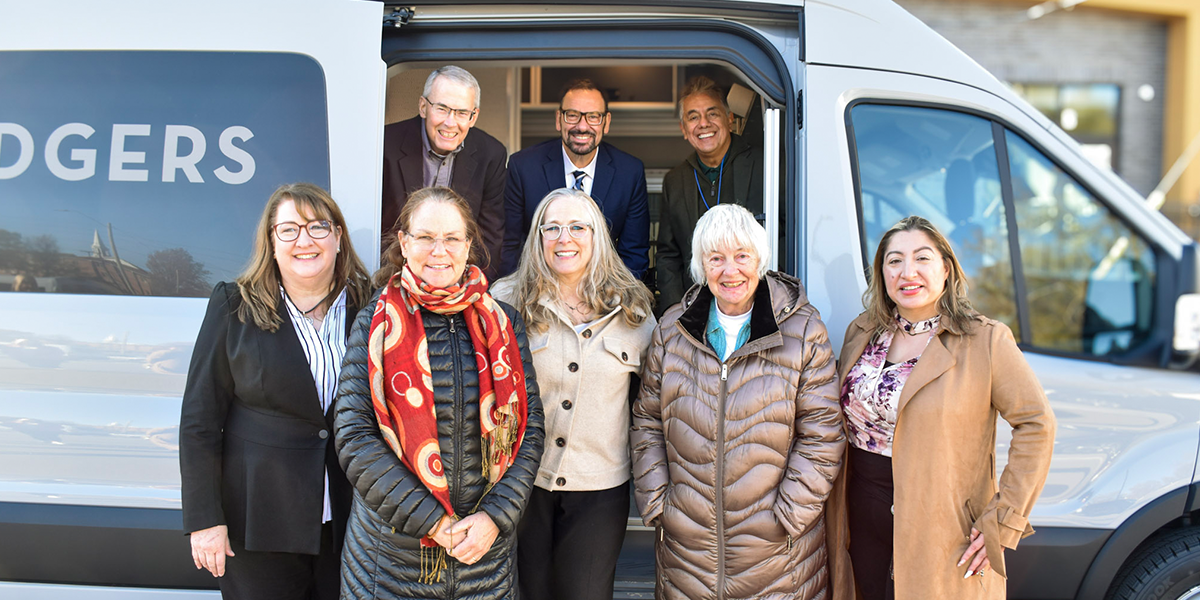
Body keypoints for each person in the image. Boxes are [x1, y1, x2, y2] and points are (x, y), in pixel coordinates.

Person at [826, 216, 1056, 600]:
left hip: (942, 529)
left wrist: (1004, 518)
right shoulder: (862, 331)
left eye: (922, 258)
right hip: (859, 517)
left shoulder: (984, 340)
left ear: (946, 269)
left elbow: (1037, 424)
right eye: (894, 260)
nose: (907, 272)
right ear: (882, 273)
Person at [334, 186, 545, 599]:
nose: (439, 251)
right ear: (404, 242)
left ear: (468, 245)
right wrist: (433, 523)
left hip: (485, 559)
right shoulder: (373, 322)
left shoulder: (504, 323)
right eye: (426, 237)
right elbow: (355, 437)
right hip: (390, 564)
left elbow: (529, 428)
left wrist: (495, 518)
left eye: (451, 238)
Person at [631, 203, 844, 600]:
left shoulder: (803, 329)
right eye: (716, 258)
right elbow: (646, 422)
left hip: (778, 553)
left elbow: (823, 434)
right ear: (700, 265)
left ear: (760, 260)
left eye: (742, 256)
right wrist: (660, 503)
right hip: (687, 550)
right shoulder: (671, 331)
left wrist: (789, 514)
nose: (731, 271)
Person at [179, 183, 373, 600]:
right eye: (288, 229)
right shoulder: (234, 306)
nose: (304, 240)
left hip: (349, 521)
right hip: (256, 521)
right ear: (271, 240)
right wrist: (204, 519)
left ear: (338, 238)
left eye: (318, 227)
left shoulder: (369, 306)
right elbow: (200, 421)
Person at [491, 188, 655, 600]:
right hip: (521, 483)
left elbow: (656, 401)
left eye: (578, 227)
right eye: (553, 228)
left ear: (597, 234)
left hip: (599, 489)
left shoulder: (634, 309)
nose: (565, 238)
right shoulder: (504, 301)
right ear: (538, 237)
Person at [501, 79, 649, 279]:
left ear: (606, 123)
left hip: (603, 294)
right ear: (558, 119)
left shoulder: (629, 172)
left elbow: (634, 253)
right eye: (572, 115)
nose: (582, 126)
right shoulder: (523, 167)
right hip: (537, 290)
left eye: (593, 117)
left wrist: (617, 301)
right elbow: (509, 246)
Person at [382, 66, 508, 279]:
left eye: (461, 113)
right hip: (394, 278)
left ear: (473, 117)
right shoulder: (385, 145)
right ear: (423, 107)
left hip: (458, 283)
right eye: (442, 108)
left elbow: (490, 238)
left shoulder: (491, 154)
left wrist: (474, 292)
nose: (450, 122)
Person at [656, 75, 763, 314]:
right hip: (694, 309)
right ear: (684, 130)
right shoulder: (675, 181)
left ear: (729, 119)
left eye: (712, 113)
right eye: (693, 117)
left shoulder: (765, 165)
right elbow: (668, 255)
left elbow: (785, 235)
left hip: (755, 305)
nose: (703, 123)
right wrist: (676, 313)